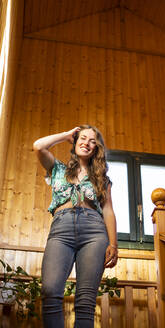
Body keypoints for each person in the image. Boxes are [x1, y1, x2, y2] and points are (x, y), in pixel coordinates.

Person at [33, 125, 118, 328]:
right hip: (61, 230)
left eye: (92, 141)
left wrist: (113, 244)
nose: (86, 143)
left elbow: (108, 211)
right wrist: (65, 135)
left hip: (94, 233)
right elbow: (38, 146)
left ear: (96, 148)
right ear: (75, 140)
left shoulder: (102, 179)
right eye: (82, 138)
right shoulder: (58, 169)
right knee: (50, 292)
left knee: (85, 301)